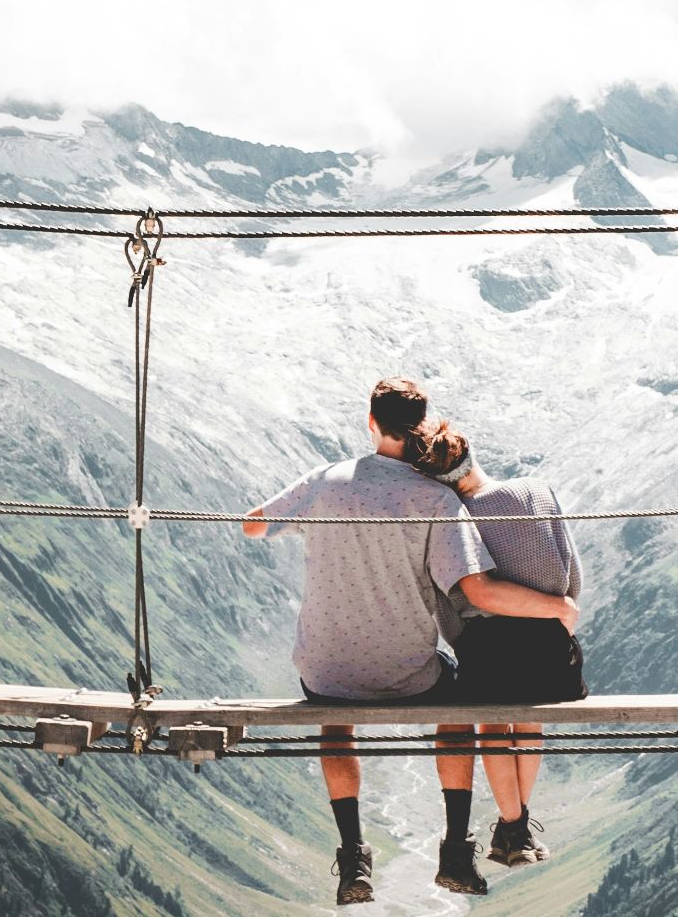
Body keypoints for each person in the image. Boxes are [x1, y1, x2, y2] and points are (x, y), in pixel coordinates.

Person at [242, 378, 580, 906]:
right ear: (420, 425)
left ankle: (353, 856)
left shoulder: (325, 482)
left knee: (335, 718)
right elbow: (476, 589)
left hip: (325, 669)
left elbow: (252, 526)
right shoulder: (435, 498)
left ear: (370, 422)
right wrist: (558, 607)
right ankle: (456, 850)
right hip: (408, 673)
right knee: (459, 706)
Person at [418, 429, 585, 869]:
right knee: (530, 721)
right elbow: (572, 578)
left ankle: (514, 825)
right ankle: (516, 827)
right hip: (550, 647)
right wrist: (556, 615)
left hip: (486, 648)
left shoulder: (451, 517)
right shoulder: (536, 492)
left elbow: (448, 604)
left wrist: (464, 640)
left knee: (493, 723)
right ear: (470, 454)